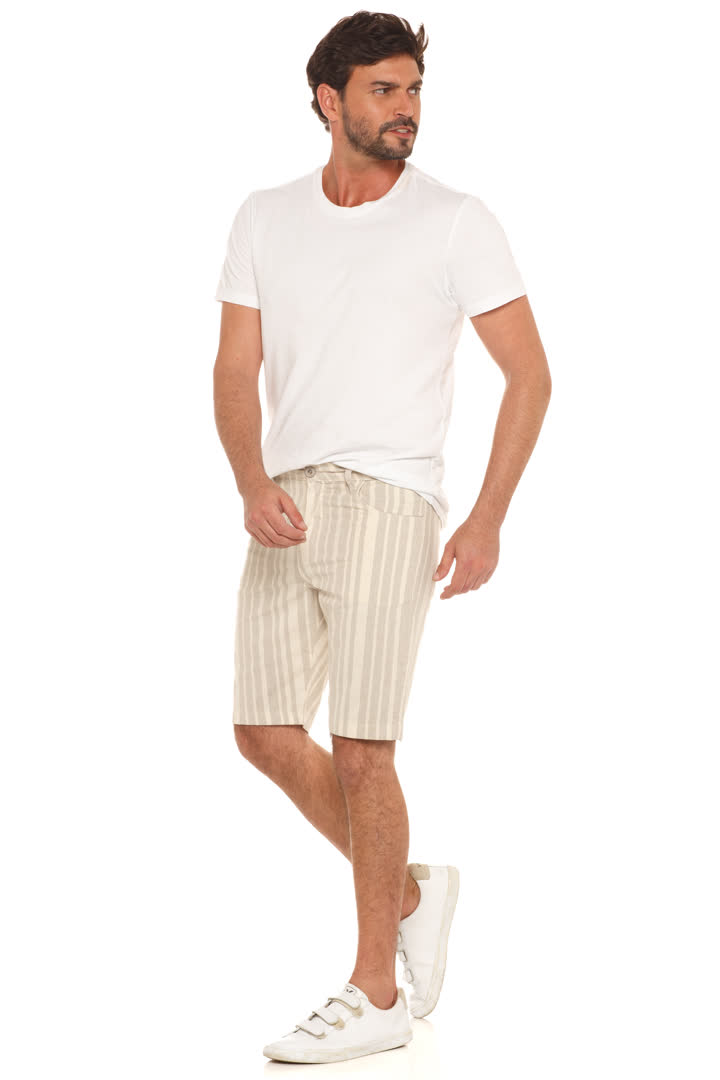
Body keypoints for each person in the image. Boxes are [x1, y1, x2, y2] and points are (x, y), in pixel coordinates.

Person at [213, 11, 551, 1065]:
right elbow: (234, 369)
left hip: (391, 497)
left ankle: (377, 993)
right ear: (330, 100)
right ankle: (409, 891)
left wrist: (487, 516)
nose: (406, 109)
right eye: (384, 91)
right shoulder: (265, 216)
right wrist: (250, 480)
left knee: (364, 748)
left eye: (413, 90)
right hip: (287, 500)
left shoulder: (455, 220)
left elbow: (530, 376)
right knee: (263, 730)